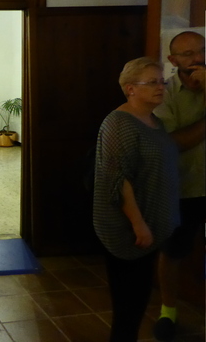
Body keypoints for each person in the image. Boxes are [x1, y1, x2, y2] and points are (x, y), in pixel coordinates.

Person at [93, 57, 180, 342]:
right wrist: (138, 224)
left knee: (138, 301)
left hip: (150, 220)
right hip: (128, 228)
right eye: (152, 82)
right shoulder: (120, 123)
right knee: (128, 307)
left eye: (162, 81)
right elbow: (117, 180)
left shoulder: (154, 121)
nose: (160, 87)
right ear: (130, 88)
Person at [152, 31, 205, 341]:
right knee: (172, 251)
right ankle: (168, 311)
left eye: (202, 51)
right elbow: (172, 143)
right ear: (173, 60)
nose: (197, 58)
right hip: (183, 187)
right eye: (187, 54)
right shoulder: (165, 93)